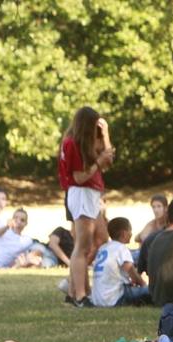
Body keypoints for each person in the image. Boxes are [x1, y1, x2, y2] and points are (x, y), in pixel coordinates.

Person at [59, 106, 114, 308]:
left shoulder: (87, 143)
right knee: (82, 247)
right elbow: (79, 177)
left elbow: (108, 160)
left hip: (91, 194)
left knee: (101, 239)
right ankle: (79, 296)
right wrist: (98, 162)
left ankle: (74, 286)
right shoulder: (72, 144)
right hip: (81, 193)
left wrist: (106, 134)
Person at [89, 217, 150, 308]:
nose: (131, 234)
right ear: (124, 233)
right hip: (114, 298)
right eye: (130, 231)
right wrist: (143, 284)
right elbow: (131, 270)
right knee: (151, 291)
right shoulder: (121, 248)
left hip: (98, 299)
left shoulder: (103, 248)